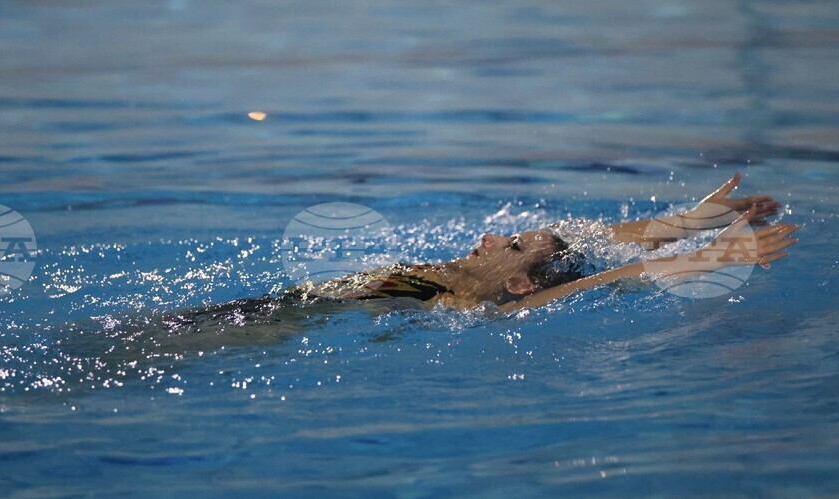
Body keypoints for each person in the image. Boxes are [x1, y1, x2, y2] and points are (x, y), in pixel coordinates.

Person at [299, 173, 797, 313]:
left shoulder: (470, 302)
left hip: (287, 323)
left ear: (518, 283)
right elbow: (603, 243)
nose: (489, 238)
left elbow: (617, 273)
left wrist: (707, 259)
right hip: (288, 307)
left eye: (511, 246)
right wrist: (695, 219)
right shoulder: (458, 276)